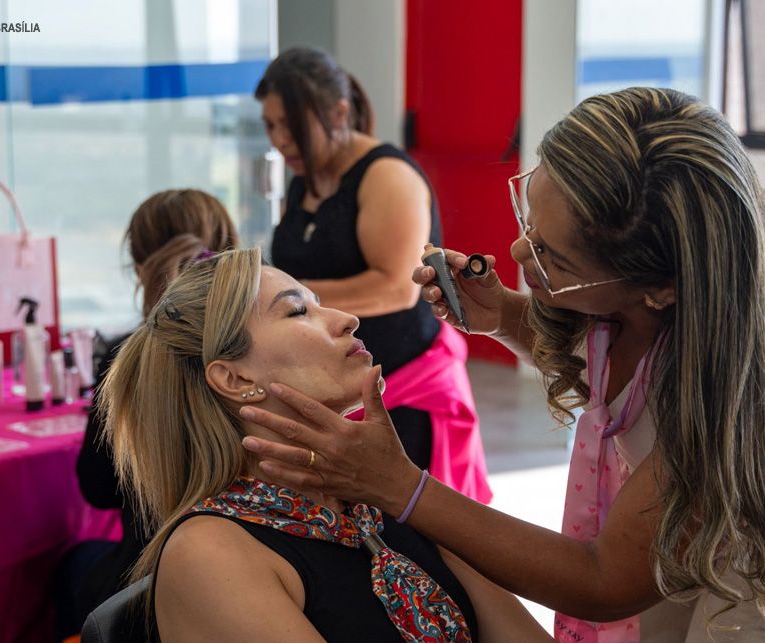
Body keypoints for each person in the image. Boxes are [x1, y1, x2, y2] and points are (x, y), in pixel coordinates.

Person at [238, 87, 765, 641]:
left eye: (553, 257)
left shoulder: (728, 402)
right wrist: (506, 317)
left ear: (659, 289)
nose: (518, 250)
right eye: (529, 218)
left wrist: (402, 487)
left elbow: (603, 579)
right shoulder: (639, 313)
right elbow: (605, 369)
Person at [99, 247, 552, 642]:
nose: (347, 318)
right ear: (235, 378)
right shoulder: (211, 554)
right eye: (298, 311)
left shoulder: (382, 496)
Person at [259, 47, 491, 503]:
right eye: (270, 126)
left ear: (339, 112)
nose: (281, 140)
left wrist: (286, 302)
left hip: (400, 388)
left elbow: (395, 287)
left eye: (292, 125)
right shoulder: (305, 179)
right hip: (339, 385)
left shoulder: (387, 176)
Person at [56, 189, 239, 639]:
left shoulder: (126, 361)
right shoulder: (261, 354)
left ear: (140, 267)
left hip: (149, 584)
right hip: (255, 566)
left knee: (70, 565)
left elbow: (98, 488)